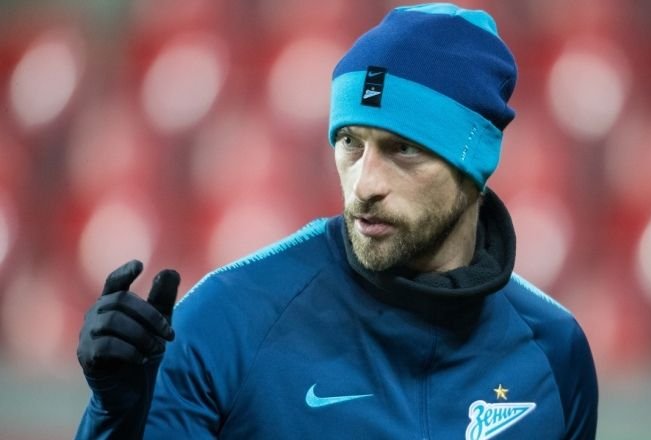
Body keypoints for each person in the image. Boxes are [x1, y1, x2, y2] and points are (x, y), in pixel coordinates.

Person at [75, 3, 598, 439]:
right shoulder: (228, 320)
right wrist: (115, 416)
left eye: (403, 149)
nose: (365, 184)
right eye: (350, 142)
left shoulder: (554, 352)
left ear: (473, 167)